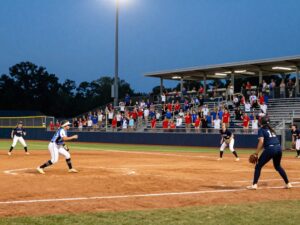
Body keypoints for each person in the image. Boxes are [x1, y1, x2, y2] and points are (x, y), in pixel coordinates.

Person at [247, 117, 292, 190]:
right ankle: (288, 183)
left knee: (258, 166)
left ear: (261, 123)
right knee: (277, 166)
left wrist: (256, 153)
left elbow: (261, 141)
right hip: (278, 148)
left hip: (271, 149)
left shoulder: (261, 130)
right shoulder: (271, 130)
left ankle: (254, 185)